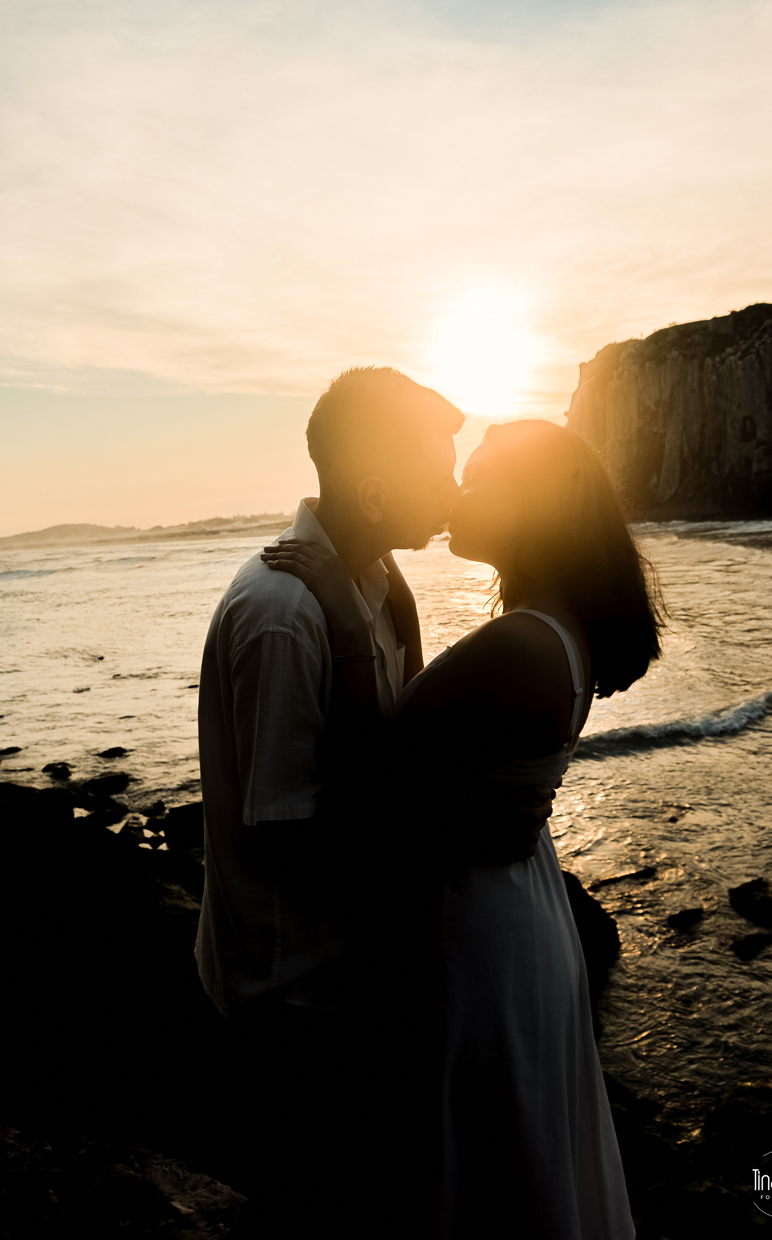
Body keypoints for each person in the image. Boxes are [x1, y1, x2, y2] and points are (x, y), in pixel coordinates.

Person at [261, 417, 665, 1239]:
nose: (455, 494)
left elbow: (367, 777)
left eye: (478, 479)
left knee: (475, 1163)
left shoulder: (518, 644)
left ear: (532, 508)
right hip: (512, 904)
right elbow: (438, 733)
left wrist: (345, 617)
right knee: (513, 1151)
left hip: (477, 929)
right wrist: (389, 591)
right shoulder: (549, 628)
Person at [195, 368, 556, 1237]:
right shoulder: (286, 610)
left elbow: (391, 755)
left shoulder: (371, 586)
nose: (454, 486)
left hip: (351, 979)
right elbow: (287, 836)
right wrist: (449, 839)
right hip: (295, 994)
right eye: (439, 469)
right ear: (372, 488)